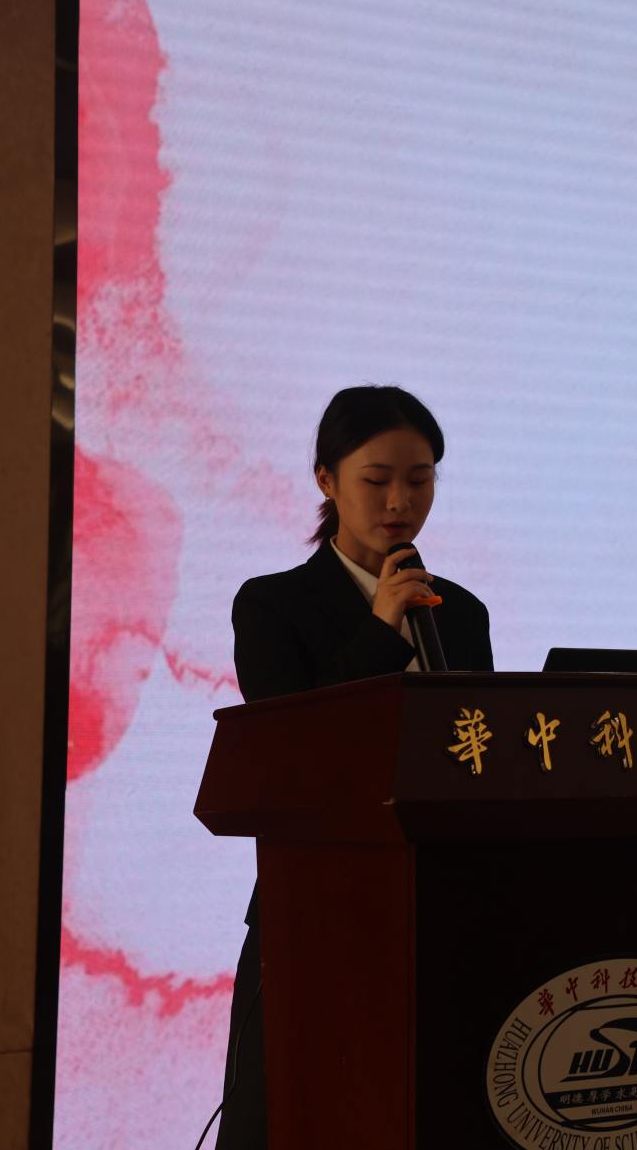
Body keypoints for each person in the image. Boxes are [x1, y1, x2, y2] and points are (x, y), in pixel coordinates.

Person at [214, 385, 492, 1150]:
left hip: (441, 906)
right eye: (377, 480)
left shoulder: (462, 612)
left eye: (420, 479)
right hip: (316, 910)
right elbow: (292, 743)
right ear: (326, 479)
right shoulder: (272, 605)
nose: (400, 501)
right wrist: (379, 627)